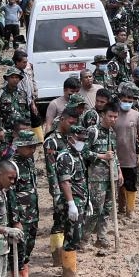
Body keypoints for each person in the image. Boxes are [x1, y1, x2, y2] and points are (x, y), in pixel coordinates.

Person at [44, 103, 81, 265]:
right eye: (70, 123)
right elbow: (52, 169)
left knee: (69, 222)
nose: (73, 126)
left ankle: (65, 258)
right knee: (59, 221)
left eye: (75, 123)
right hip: (59, 188)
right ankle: (57, 256)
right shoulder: (52, 141)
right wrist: (57, 192)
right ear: (62, 119)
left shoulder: (70, 139)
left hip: (72, 187)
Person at [55, 124, 92, 277]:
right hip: (72, 202)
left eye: (84, 139)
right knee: (72, 236)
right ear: (70, 138)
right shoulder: (65, 157)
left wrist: (87, 200)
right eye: (79, 139)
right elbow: (65, 182)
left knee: (76, 235)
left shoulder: (78, 155)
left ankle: (70, 269)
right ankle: (68, 273)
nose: (82, 142)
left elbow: (81, 180)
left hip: (80, 200)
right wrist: (71, 204)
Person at [7, 130, 40, 277]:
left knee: (28, 248)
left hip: (32, 214)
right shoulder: (11, 166)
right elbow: (10, 196)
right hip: (21, 216)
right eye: (29, 147)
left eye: (34, 146)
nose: (33, 149)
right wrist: (16, 220)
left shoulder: (29, 161)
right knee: (18, 251)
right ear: (20, 147)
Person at [85, 103, 119, 248]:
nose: (112, 119)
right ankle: (84, 239)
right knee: (95, 210)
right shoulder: (93, 131)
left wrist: (119, 171)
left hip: (112, 176)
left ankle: (102, 237)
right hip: (97, 177)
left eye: (115, 117)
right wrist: (102, 156)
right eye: (110, 116)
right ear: (103, 115)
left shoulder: (112, 132)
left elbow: (115, 155)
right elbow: (83, 152)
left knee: (107, 209)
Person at [115, 82, 139, 215]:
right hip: (116, 157)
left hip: (130, 156)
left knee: (131, 185)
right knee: (119, 185)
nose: (127, 103)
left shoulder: (136, 115)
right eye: (124, 101)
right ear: (119, 99)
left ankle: (131, 209)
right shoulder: (113, 114)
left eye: (130, 101)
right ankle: (121, 207)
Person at [0, 67, 31, 158]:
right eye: (12, 77)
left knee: (22, 154)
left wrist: (26, 126)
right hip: (6, 129)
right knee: (4, 155)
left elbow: (26, 111)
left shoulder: (22, 93)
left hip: (20, 130)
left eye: (17, 77)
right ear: (7, 78)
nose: (15, 80)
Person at [13, 49, 41, 139]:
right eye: (24, 62)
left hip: (27, 103)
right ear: (17, 62)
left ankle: (38, 140)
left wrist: (32, 103)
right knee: (21, 126)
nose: (26, 64)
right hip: (18, 106)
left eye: (26, 62)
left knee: (34, 120)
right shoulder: (13, 75)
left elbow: (29, 88)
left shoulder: (24, 72)